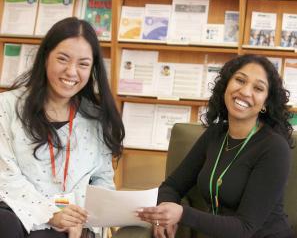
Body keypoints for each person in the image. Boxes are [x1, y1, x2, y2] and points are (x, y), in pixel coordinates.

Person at [137, 54, 295, 238]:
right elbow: (171, 186)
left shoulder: (274, 148)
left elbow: (245, 228)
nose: (245, 91)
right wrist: (162, 218)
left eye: (258, 88)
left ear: (265, 104)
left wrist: (181, 214)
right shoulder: (216, 133)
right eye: (240, 80)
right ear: (226, 85)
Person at [0, 17, 124, 238]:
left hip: (73, 224)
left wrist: (80, 219)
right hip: (19, 215)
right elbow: (5, 176)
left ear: (92, 69)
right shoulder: (6, 106)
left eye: (83, 64)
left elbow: (103, 183)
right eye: (63, 59)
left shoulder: (97, 118)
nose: (71, 72)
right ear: (46, 57)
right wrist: (50, 213)